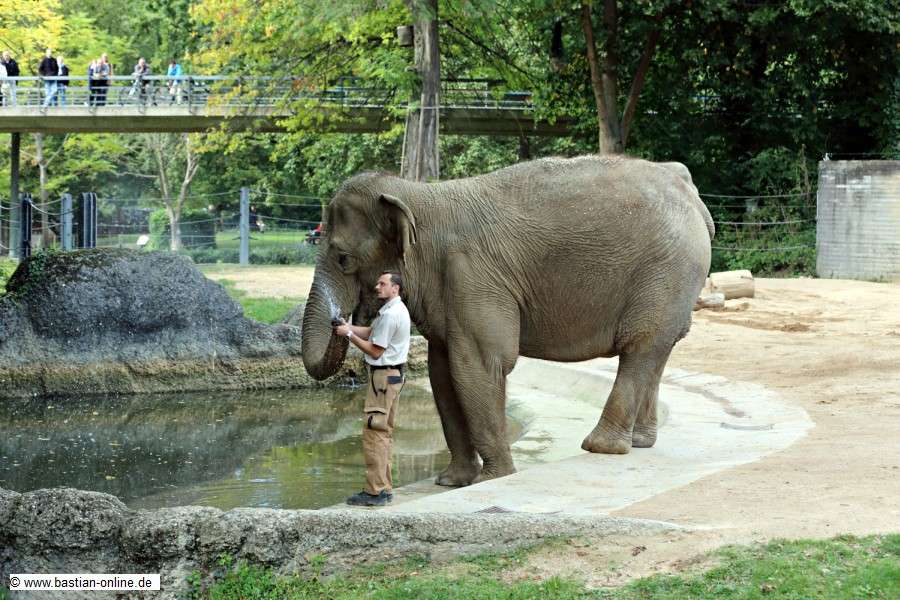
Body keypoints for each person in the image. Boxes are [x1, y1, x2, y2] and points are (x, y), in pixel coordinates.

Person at [334, 272, 411, 507]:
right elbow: (371, 332)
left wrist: (348, 335)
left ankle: (375, 492)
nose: (377, 287)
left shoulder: (391, 315)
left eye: (383, 284)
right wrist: (348, 327)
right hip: (394, 377)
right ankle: (384, 488)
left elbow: (375, 351)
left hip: (383, 378)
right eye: (378, 283)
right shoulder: (393, 310)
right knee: (384, 432)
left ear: (395, 288)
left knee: (374, 431)